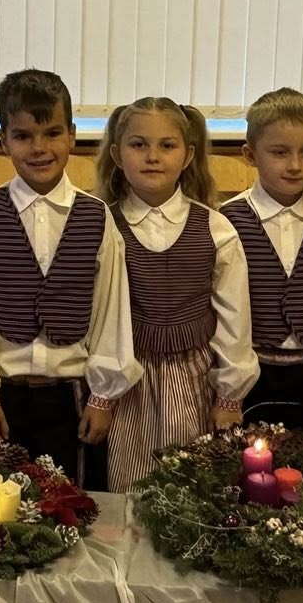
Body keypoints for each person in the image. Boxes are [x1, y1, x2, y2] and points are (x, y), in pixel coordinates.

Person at [0, 69, 138, 491]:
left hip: (73, 398)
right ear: (4, 141)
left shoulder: (95, 215)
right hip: (4, 397)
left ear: (72, 135)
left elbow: (111, 308)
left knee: (72, 502)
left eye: (52, 133)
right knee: (2, 505)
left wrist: (103, 397)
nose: (39, 148)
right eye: (23, 136)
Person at [98, 96, 257, 488]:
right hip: (129, 383)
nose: (152, 156)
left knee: (194, 485)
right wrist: (101, 394)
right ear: (117, 154)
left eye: (166, 145)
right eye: (139, 145)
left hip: (195, 378)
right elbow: (98, 317)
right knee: (131, 485)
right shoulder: (104, 225)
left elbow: (234, 319)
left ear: (187, 155)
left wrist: (229, 396)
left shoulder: (216, 228)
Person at [224, 88, 303, 431]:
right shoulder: (227, 219)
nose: (295, 165)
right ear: (250, 154)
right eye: (279, 152)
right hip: (250, 372)